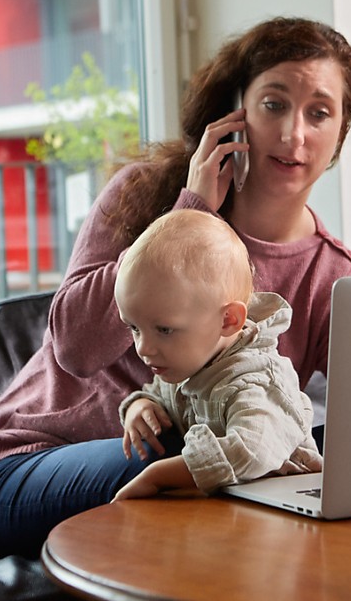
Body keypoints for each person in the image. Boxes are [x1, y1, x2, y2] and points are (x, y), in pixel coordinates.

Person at [0, 16, 351, 556]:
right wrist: (192, 210)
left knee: (279, 451)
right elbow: (76, 349)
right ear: (235, 113)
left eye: (319, 113)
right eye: (274, 104)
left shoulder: (329, 272)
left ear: (338, 134)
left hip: (193, 461)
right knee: (204, 461)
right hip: (23, 471)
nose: (295, 134)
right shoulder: (143, 192)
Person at [111, 208, 321, 501]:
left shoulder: (256, 379)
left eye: (164, 330)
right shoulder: (189, 359)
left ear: (228, 320)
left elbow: (250, 450)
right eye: (134, 328)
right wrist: (142, 405)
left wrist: (157, 476)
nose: (143, 348)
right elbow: (161, 393)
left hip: (286, 517)